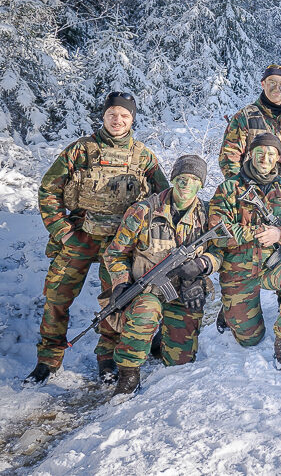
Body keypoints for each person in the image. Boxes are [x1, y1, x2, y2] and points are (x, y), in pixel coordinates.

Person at [25, 91, 168, 386]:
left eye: (124, 115)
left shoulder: (143, 156)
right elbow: (48, 190)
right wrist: (63, 232)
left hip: (120, 242)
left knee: (116, 298)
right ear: (103, 116)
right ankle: (48, 359)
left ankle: (107, 357)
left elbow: (163, 198)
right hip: (80, 235)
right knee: (57, 296)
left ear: (133, 119)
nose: (118, 120)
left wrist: (147, 238)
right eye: (112, 114)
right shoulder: (81, 150)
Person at [103, 155, 220, 396]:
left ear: (201, 184)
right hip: (147, 291)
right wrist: (121, 283)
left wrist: (201, 265)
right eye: (180, 178)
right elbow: (115, 253)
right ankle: (129, 372)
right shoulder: (142, 212)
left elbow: (221, 252)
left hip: (185, 291)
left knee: (180, 361)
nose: (186, 185)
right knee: (146, 312)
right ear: (173, 179)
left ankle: (160, 341)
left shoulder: (208, 214)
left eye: (193, 180)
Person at [208, 133, 281, 371]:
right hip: (238, 268)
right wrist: (255, 232)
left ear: (278, 158)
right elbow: (217, 230)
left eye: (271, 153)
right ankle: (229, 309)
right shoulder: (229, 188)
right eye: (260, 152)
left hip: (272, 264)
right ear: (250, 154)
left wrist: (280, 233)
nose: (265, 158)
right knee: (249, 339)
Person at [219, 64, 281, 180]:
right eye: (272, 82)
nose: (277, 88)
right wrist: (239, 186)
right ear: (263, 84)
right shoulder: (244, 117)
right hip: (252, 189)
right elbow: (229, 156)